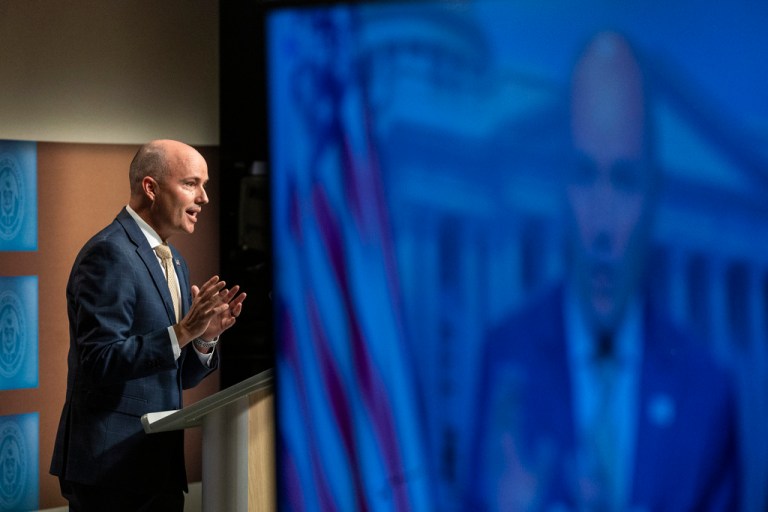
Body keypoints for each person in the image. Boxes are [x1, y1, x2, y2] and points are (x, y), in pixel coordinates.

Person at [466, 32, 740, 511]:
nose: (601, 224)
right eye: (583, 175)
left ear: (655, 194)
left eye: (625, 181)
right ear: (560, 185)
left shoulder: (707, 392)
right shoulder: (507, 360)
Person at [50, 140, 246, 511]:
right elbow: (98, 361)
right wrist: (183, 332)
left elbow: (176, 377)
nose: (204, 198)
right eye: (191, 183)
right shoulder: (109, 253)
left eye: (204, 185)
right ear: (151, 188)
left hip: (157, 467)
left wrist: (204, 339)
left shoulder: (176, 262)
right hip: (110, 472)